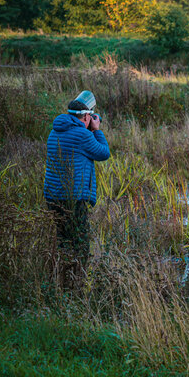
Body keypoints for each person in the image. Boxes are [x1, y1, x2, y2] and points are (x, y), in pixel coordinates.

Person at [44, 90, 111, 285]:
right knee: (80, 243)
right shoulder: (83, 134)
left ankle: (62, 280)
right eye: (91, 116)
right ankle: (76, 284)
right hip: (73, 199)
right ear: (87, 117)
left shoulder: (55, 130)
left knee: (64, 240)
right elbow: (103, 153)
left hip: (53, 197)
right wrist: (97, 130)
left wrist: (88, 129)